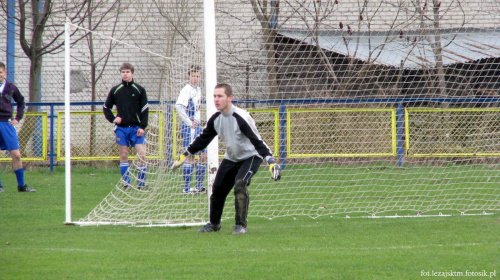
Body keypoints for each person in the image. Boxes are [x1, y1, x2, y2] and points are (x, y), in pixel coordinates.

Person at [171, 83, 281, 235]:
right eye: (214, 96)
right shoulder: (216, 119)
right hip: (232, 157)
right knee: (217, 189)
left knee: (240, 183)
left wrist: (270, 160)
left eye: (220, 96)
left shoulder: (241, 117)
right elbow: (203, 138)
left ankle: (240, 226)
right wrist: (186, 154)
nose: (216, 99)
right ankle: (214, 224)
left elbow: (257, 141)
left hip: (251, 156)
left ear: (230, 98)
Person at [103, 63, 149, 190]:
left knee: (142, 154)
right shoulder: (115, 90)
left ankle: (141, 184)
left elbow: (145, 110)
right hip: (122, 129)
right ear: (121, 73)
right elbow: (106, 107)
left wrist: (142, 126)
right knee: (124, 154)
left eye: (127, 72)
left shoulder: (140, 90)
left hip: (136, 128)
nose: (125, 74)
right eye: (123, 72)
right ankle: (127, 183)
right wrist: (113, 119)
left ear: (132, 73)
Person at [0, 62, 36, 193]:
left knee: (16, 155)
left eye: (0, 72)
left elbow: (21, 102)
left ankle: (21, 186)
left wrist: (17, 118)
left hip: (7, 124)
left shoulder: (11, 87)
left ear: (5, 73)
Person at [175, 65, 206, 194]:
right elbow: (179, 106)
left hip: (197, 127)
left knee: (204, 155)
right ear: (189, 76)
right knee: (190, 156)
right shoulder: (186, 90)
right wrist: (189, 122)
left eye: (198, 76)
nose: (196, 78)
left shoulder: (198, 89)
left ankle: (199, 186)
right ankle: (186, 188)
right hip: (189, 128)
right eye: (193, 76)